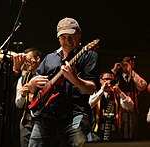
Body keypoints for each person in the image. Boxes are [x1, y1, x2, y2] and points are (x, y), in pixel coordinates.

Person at [26, 17, 99, 147]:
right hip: (46, 116)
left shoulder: (88, 56)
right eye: (63, 37)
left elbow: (91, 88)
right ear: (58, 38)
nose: (67, 41)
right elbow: (33, 89)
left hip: (75, 115)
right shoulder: (50, 58)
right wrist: (31, 85)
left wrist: (75, 80)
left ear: (79, 34)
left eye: (71, 36)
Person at [89, 70, 134, 141]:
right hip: (98, 132)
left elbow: (130, 106)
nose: (109, 81)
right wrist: (102, 90)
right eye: (106, 79)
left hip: (114, 132)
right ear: (101, 80)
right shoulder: (95, 93)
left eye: (111, 80)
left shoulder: (117, 95)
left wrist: (120, 92)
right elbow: (90, 104)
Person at [111, 55, 147, 139]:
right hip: (118, 110)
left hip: (132, 111)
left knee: (131, 134)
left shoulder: (135, 76)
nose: (127, 64)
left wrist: (131, 72)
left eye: (129, 62)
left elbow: (142, 86)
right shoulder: (117, 76)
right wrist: (114, 70)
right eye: (125, 62)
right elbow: (108, 84)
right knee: (118, 133)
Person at [15, 47, 41, 147]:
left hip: (42, 121)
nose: (26, 63)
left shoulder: (46, 74)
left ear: (37, 59)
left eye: (29, 60)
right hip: (27, 122)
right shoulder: (23, 78)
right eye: (24, 61)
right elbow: (18, 104)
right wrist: (23, 94)